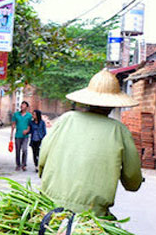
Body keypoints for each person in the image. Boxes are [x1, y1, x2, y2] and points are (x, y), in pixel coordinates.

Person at [37, 69, 143, 217]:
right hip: (93, 214)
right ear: (113, 105)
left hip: (49, 207)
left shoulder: (66, 119)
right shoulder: (119, 130)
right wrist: (134, 183)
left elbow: (43, 157)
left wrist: (45, 175)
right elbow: (132, 178)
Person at [10, 101, 33, 171]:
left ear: (27, 107)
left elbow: (30, 125)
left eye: (24, 105)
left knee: (25, 149)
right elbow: (13, 124)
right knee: (17, 150)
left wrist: (27, 130)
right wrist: (11, 134)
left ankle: (24, 164)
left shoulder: (29, 116)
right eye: (21, 104)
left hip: (25, 135)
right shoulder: (16, 114)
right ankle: (18, 165)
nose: (22, 106)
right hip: (18, 135)